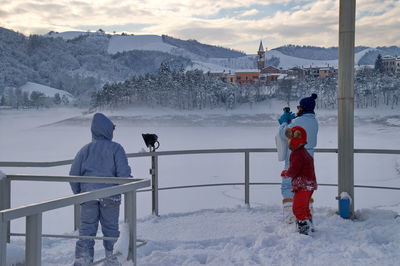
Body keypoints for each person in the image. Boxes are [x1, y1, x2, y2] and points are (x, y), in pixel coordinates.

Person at [69, 113, 132, 266]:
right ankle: (113, 262)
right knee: (111, 233)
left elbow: (73, 175)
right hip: (111, 197)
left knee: (86, 234)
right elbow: (124, 175)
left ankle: (83, 262)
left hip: (88, 196)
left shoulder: (85, 150)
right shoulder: (116, 148)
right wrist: (121, 188)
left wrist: (80, 194)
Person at [277, 93, 318, 223]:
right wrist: (293, 120)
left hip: (295, 156)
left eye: (298, 107)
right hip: (308, 156)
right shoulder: (313, 121)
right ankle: (308, 211)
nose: (297, 109)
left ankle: (291, 215)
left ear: (303, 109)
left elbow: (284, 134)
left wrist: (284, 122)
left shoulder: (298, 122)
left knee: (288, 184)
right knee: (305, 187)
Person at [281, 126, 317, 235]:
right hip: (309, 184)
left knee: (298, 208)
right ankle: (310, 226)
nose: (288, 141)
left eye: (290, 138)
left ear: (295, 139)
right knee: (305, 207)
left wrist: (286, 173)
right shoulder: (304, 152)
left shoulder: (297, 154)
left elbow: (294, 171)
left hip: (303, 185)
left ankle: (304, 230)